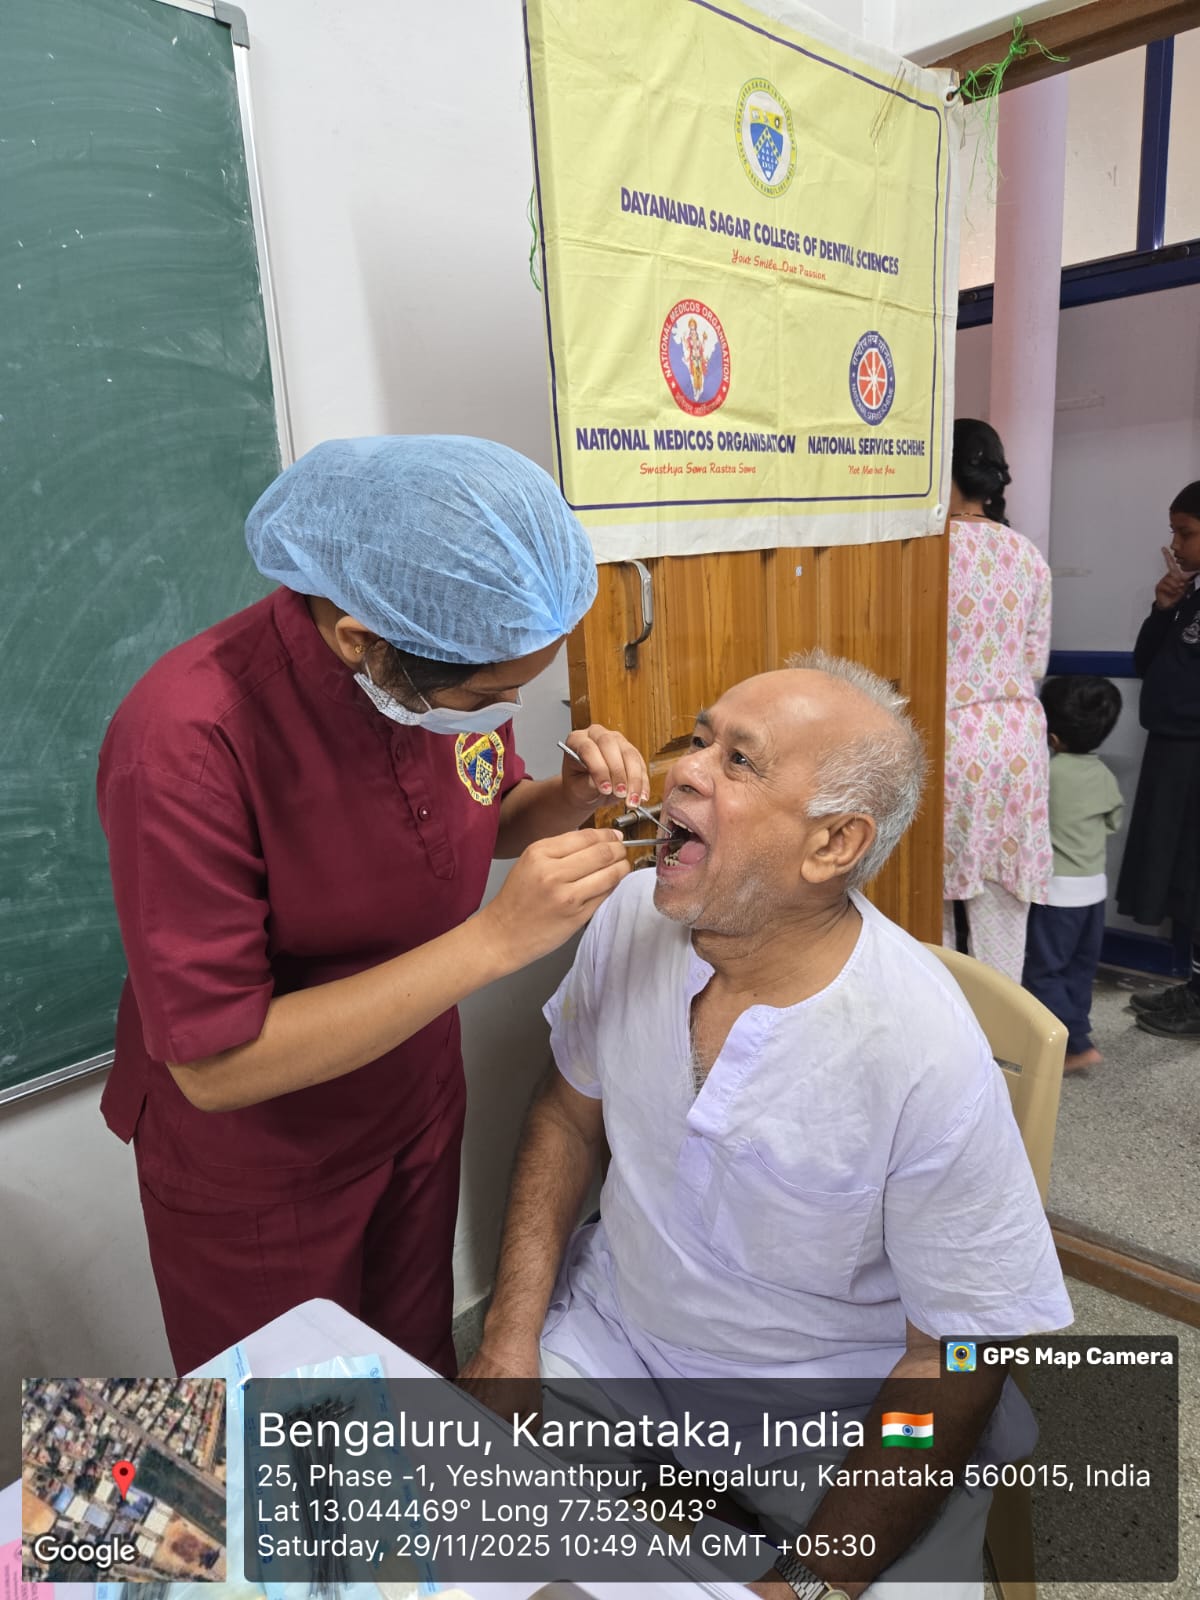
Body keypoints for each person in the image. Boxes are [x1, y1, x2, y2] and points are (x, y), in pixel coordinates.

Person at [462, 651, 1072, 1599]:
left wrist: (810, 1584)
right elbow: (567, 1116)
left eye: (739, 762)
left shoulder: (919, 1050)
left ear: (833, 846)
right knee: (434, 1529)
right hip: (622, 1337)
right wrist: (508, 1339)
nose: (684, 772)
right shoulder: (631, 916)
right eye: (699, 739)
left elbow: (955, 1352)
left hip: (831, 1409)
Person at [97, 434, 648, 1376]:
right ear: (362, 640)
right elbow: (218, 1068)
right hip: (262, 1164)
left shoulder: (440, 663)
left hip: (412, 1102)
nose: (503, 708)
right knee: (292, 1437)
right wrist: (494, 942)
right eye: (492, 693)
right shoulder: (188, 742)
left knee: (411, 1371)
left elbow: (476, 813)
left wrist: (564, 800)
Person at [944, 418, 1053, 983]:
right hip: (1017, 748)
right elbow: (1034, 664)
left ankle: (941, 1047)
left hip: (950, 743)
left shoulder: (928, 553)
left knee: (930, 910)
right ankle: (1004, 1055)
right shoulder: (1029, 557)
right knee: (1004, 913)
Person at [1117, 479, 1200, 1039]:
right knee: (1181, 873)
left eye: (1187, 532)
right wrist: (1162, 608)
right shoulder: (1189, 593)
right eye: (1173, 531)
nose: (1176, 543)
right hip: (1172, 746)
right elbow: (1148, 662)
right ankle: (1194, 989)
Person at [1022, 676, 1123, 1071]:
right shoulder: (1104, 775)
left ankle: (1075, 1043)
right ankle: (1076, 1032)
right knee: (1081, 967)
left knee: (1044, 968)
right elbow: (1113, 821)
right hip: (1093, 892)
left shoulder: (1046, 774)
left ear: (1053, 737)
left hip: (1056, 894)